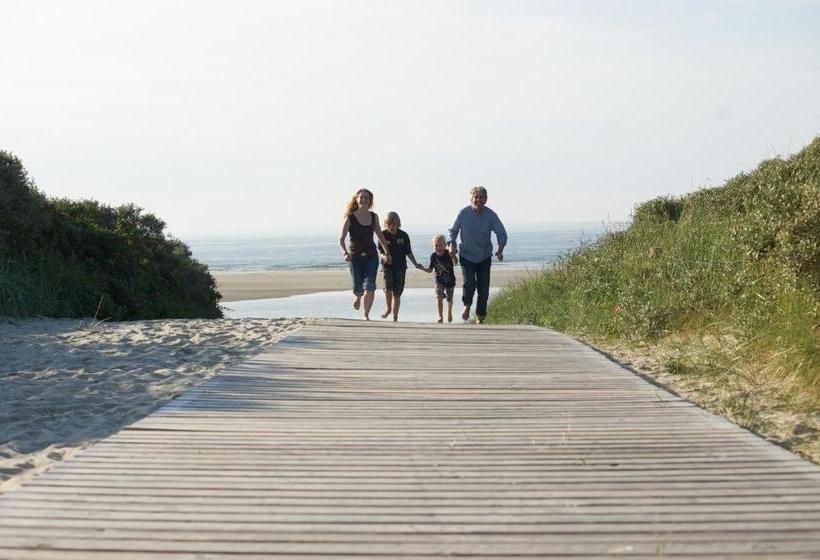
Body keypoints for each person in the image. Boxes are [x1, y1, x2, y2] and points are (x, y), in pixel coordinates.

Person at [448, 186, 507, 324]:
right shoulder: (463, 213)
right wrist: (452, 244)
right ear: (471, 198)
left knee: (483, 288)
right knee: (469, 284)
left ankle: (480, 317)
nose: (478, 199)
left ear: (485, 199)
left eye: (481, 197)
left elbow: (501, 232)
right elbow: (453, 230)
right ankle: (467, 306)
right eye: (476, 197)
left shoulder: (491, 215)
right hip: (467, 255)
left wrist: (500, 249)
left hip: (484, 256)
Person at [338, 188, 391, 320]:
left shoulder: (374, 217)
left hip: (371, 256)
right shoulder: (350, 217)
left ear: (370, 201)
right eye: (361, 197)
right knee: (358, 286)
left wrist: (387, 252)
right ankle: (358, 296)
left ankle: (366, 314)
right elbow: (341, 238)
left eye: (366, 198)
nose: (364, 200)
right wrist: (344, 253)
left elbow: (380, 235)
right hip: (355, 257)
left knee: (370, 285)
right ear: (356, 199)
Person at [378, 212, 421, 322]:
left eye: (394, 224)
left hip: (401, 267)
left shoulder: (404, 235)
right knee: (388, 290)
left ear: (398, 223)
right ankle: (388, 309)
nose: (392, 226)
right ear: (386, 224)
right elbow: (380, 252)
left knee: (397, 293)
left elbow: (409, 252)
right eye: (389, 224)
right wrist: (385, 257)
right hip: (387, 268)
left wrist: (415, 263)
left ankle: (395, 316)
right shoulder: (382, 235)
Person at [419, 234, 457, 323]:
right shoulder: (433, 256)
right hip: (439, 280)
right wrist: (422, 268)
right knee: (439, 297)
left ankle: (449, 312)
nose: (438, 247)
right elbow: (430, 270)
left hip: (450, 280)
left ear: (445, 245)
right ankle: (440, 316)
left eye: (440, 245)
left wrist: (454, 255)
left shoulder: (448, 253)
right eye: (436, 245)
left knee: (449, 299)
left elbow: (456, 262)